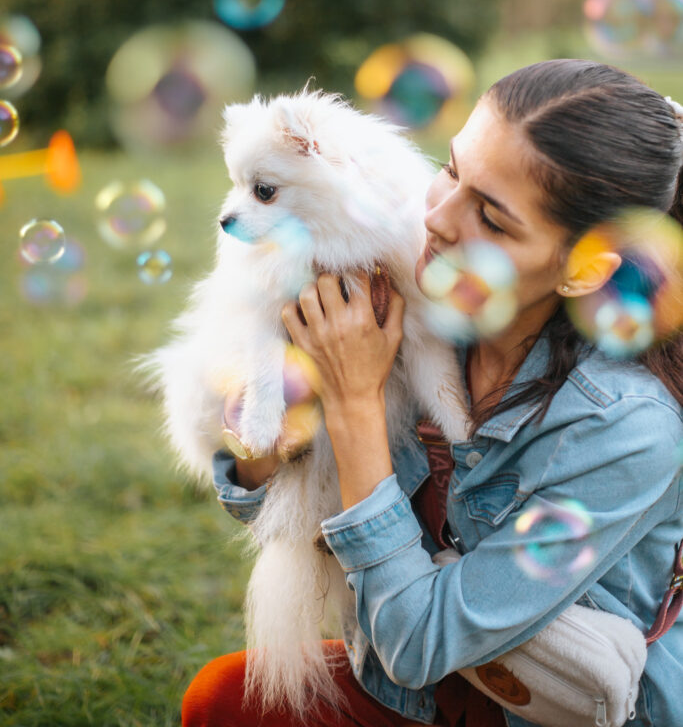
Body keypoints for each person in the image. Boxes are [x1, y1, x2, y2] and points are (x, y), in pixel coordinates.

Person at [182, 59, 683, 727]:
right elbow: (275, 509)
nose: (439, 218)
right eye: (451, 170)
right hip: (415, 698)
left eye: (493, 219)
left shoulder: (625, 429)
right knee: (222, 699)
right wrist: (271, 426)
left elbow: (415, 643)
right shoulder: (417, 306)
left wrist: (353, 400)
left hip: (536, 709)